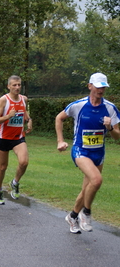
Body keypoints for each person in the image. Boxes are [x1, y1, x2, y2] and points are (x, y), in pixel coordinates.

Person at [55, 72, 120, 234]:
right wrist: (60, 141)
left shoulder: (110, 108)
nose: (101, 90)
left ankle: (73, 216)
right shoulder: (79, 105)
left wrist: (110, 127)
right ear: (90, 86)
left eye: (103, 87)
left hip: (99, 154)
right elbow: (59, 118)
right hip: (80, 150)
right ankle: (87, 212)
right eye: (98, 86)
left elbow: (117, 136)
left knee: (87, 189)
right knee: (96, 181)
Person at [0, 75, 32, 205]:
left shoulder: (23, 99)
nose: (17, 87)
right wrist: (8, 116)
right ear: (8, 86)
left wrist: (29, 121)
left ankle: (15, 182)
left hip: (18, 137)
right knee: (3, 166)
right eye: (14, 85)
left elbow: (25, 114)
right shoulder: (4, 100)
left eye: (19, 85)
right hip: (3, 137)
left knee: (24, 162)